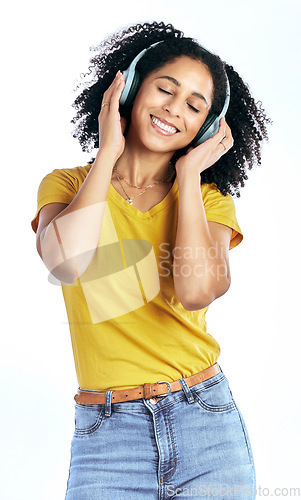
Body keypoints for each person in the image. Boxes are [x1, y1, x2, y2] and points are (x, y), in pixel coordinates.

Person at [31, 21, 270, 500]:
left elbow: (195, 290)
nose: (173, 110)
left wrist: (187, 178)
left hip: (205, 421)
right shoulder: (65, 185)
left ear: (205, 128)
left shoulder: (208, 201)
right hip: (106, 433)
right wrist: (108, 154)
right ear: (133, 88)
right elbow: (65, 264)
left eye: (194, 106)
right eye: (165, 89)